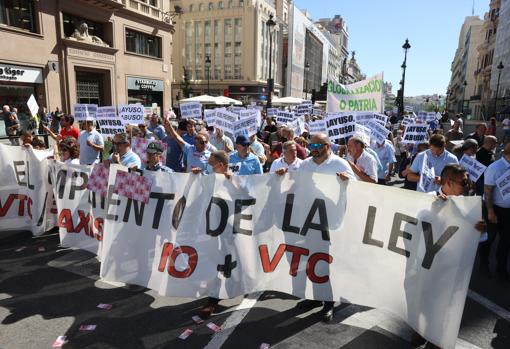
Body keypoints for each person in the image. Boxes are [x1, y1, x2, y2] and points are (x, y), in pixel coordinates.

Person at [298, 132, 356, 322]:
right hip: (310, 220)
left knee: (327, 262)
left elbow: (357, 190)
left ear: (327, 147)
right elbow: (295, 185)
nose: (313, 150)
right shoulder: (305, 164)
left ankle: (329, 302)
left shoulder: (340, 164)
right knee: (312, 260)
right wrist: (282, 176)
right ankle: (316, 297)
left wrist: (347, 182)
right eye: (310, 147)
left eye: (317, 147)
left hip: (332, 222)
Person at [197, 150, 232, 318]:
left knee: (221, 261)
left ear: (220, 164)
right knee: (212, 259)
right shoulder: (209, 177)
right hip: (210, 226)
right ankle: (214, 293)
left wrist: (233, 182)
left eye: (211, 158)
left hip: (226, 228)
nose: (208, 160)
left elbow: (247, 195)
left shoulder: (232, 178)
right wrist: (195, 176)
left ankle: (213, 299)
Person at [483, 142, 510, 281]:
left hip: (508, 211)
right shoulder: (495, 168)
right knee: (489, 238)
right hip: (495, 209)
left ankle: (501, 269)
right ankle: (483, 264)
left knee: (506, 241)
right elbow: (488, 191)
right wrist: (490, 212)